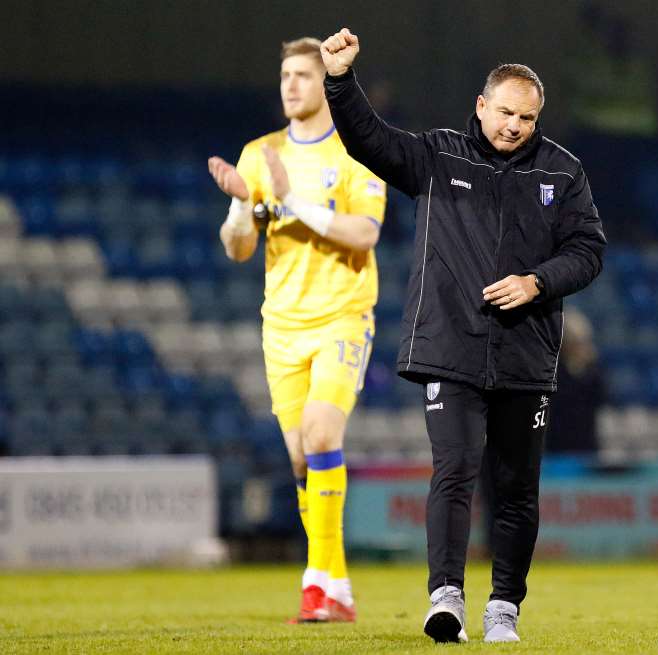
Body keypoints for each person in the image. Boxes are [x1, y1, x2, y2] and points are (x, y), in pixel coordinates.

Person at [320, 28, 606, 643]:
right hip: (450, 346)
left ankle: (505, 607)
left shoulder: (563, 170)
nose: (514, 126)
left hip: (527, 353)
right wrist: (341, 83)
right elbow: (370, 142)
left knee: (516, 487)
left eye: (527, 118)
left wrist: (537, 282)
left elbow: (588, 251)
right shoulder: (438, 155)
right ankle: (445, 596)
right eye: (505, 112)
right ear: (481, 106)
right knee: (453, 466)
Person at [207, 37, 386, 624]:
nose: (290, 85)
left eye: (303, 76)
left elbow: (366, 233)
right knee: (303, 464)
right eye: (285, 75)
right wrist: (241, 206)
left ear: (324, 85)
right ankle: (337, 587)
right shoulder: (259, 153)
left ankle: (316, 584)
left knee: (320, 431)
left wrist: (295, 203)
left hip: (342, 316)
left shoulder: (357, 152)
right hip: (281, 327)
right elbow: (239, 249)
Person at [545, 307, 607, 454]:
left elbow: (601, 397)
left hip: (586, 441)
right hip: (557, 442)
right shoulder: (554, 367)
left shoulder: (592, 369)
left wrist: (586, 370)